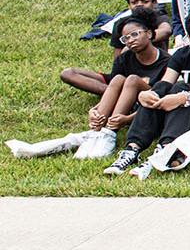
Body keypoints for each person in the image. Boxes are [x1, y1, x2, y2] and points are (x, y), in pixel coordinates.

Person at [9, 9, 168, 161]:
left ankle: (109, 133)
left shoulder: (167, 62)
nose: (131, 40)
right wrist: (95, 110)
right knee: (119, 78)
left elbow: (162, 100)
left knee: (132, 79)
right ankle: (98, 129)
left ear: (148, 33)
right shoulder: (124, 59)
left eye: (135, 34)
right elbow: (115, 86)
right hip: (127, 106)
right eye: (125, 38)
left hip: (150, 110)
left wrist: (127, 120)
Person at [99, 11, 190, 178]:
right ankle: (132, 148)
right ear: (188, 38)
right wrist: (148, 95)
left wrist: (182, 97)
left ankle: (165, 148)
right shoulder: (182, 54)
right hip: (186, 109)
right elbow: (166, 81)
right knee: (158, 94)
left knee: (181, 90)